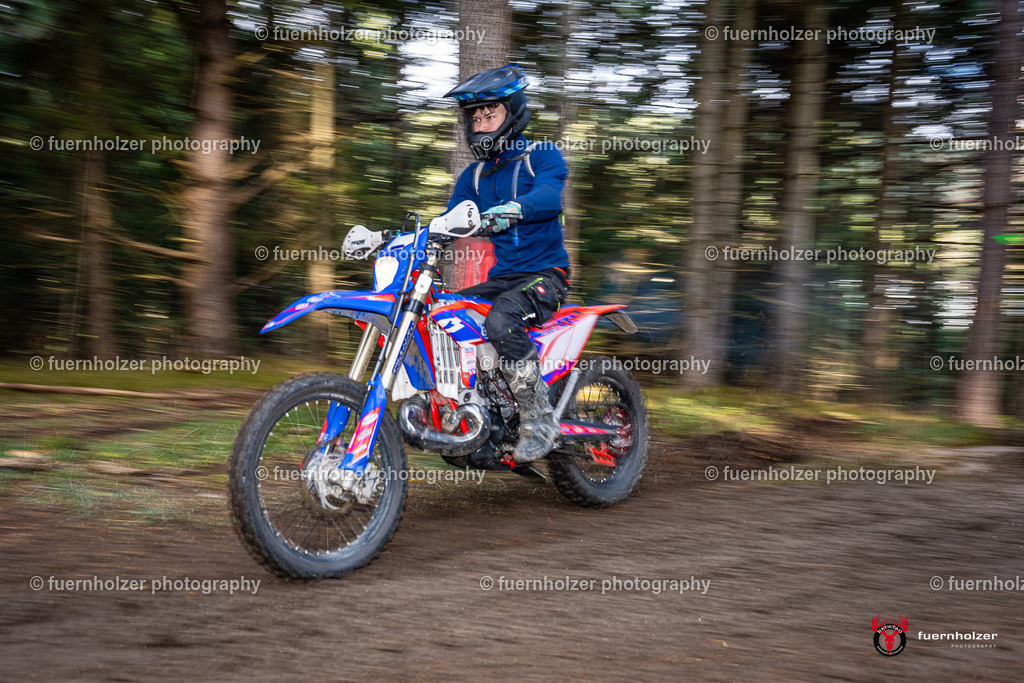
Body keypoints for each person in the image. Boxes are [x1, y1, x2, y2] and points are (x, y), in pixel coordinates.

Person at [444, 63, 570, 463]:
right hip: (504, 278)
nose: (481, 124)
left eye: (490, 114)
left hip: (546, 276)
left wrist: (512, 209)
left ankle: (539, 418)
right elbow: (448, 222)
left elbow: (551, 197)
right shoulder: (474, 176)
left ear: (512, 113)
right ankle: (481, 418)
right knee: (447, 317)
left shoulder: (542, 156)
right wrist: (399, 238)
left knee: (501, 320)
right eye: (475, 118)